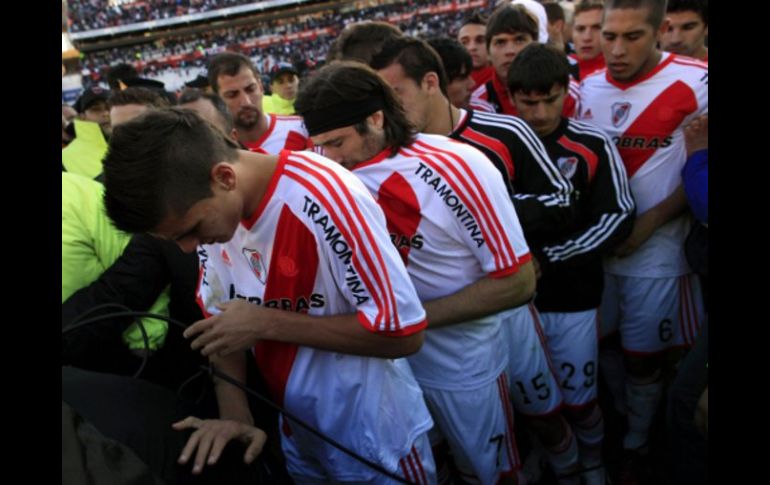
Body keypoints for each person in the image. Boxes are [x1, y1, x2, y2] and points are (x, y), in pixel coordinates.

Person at [101, 108, 437, 483]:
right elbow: (224, 328)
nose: (186, 248)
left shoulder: (328, 196)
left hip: (377, 439)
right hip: (298, 437)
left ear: (224, 177)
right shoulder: (212, 215)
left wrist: (266, 323)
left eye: (191, 231)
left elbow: (405, 333)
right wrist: (236, 418)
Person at [296, 60, 536, 485]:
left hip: (461, 368)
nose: (328, 158)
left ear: (375, 118)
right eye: (319, 145)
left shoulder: (459, 164)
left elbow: (516, 283)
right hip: (385, 377)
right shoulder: (323, 174)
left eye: (336, 143)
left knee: (489, 474)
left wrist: (409, 324)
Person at [577, 0, 707, 480]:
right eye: (609, 36)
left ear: (661, 31)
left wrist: (651, 223)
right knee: (605, 344)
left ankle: (638, 440)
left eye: (631, 37)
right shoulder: (588, 85)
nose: (615, 48)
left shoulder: (698, 81)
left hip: (659, 252)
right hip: (601, 251)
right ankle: (624, 424)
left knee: (646, 355)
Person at [509, 43, 636, 485]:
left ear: (567, 90)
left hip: (573, 298)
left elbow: (618, 215)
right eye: (529, 101)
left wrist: (549, 257)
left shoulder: (591, 142)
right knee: (531, 402)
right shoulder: (492, 150)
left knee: (579, 399)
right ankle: (558, 463)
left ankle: (595, 464)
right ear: (512, 97)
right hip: (511, 307)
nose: (541, 111)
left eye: (551, 98)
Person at [470, 4, 579, 118]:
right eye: (500, 42)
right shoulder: (477, 104)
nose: (510, 51)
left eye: (519, 40)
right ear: (488, 53)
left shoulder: (567, 93)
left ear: (535, 44)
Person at [207, 52, 310, 153]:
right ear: (218, 100)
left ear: (260, 87)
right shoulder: (214, 151)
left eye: (250, 89)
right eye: (232, 95)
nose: (246, 101)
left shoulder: (301, 128)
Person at [426, 37, 476, 109]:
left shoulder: (484, 113)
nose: (472, 84)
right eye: (461, 78)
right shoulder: (405, 118)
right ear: (431, 83)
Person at [569, 0, 607, 80]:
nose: (587, 37)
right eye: (580, 29)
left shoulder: (621, 74)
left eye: (596, 28)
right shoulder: (559, 67)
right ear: (572, 32)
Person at [457, 11, 495, 89]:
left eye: (480, 40)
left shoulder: (505, 80)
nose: (472, 47)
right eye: (464, 42)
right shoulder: (446, 83)